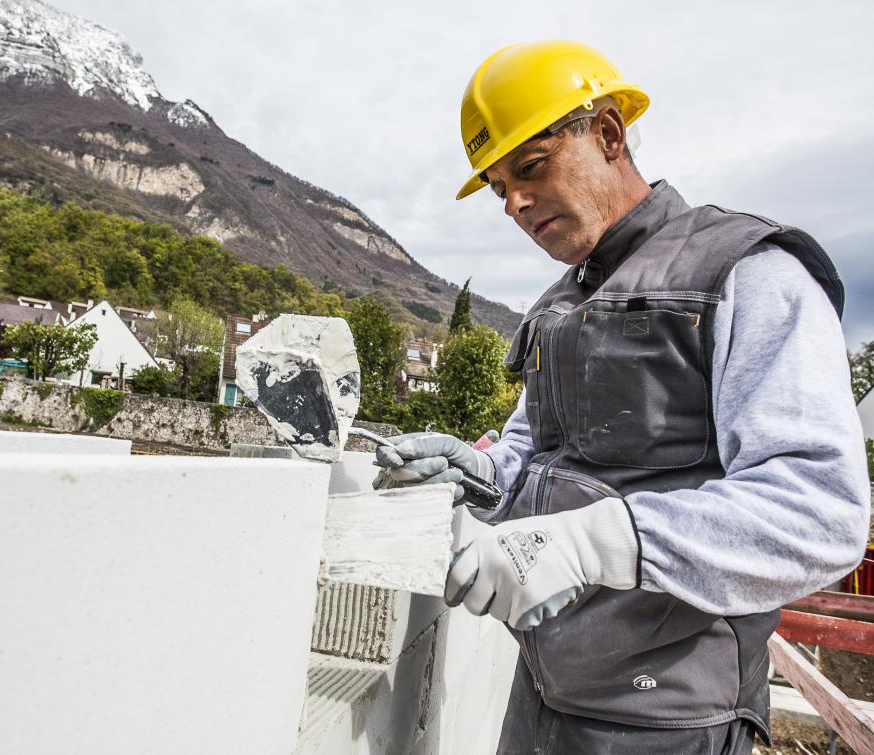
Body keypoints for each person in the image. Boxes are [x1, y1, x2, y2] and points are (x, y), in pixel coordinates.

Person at [373, 41, 871, 754]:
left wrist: (587, 541)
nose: (513, 202)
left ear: (607, 134)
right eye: (496, 186)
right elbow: (536, 454)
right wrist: (478, 473)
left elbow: (818, 510)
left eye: (531, 167)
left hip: (667, 720)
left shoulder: (744, 273)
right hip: (545, 692)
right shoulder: (557, 308)